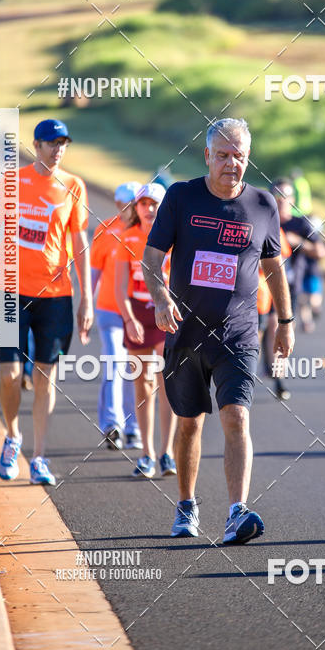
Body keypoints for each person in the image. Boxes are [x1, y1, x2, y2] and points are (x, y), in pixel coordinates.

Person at [142, 118, 294, 543]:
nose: (231, 163)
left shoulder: (263, 205)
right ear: (207, 156)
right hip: (186, 332)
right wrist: (160, 297)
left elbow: (273, 267)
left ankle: (236, 512)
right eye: (223, 155)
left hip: (238, 334)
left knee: (236, 416)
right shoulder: (181, 197)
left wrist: (285, 322)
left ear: (248, 157)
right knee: (189, 423)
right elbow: (151, 259)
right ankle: (186, 505)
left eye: (238, 156)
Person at [0, 119, 93, 485]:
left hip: (56, 296)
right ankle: (12, 435)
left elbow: (79, 244)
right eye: (51, 143)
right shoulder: (11, 182)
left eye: (63, 143)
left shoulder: (74, 186)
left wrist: (86, 298)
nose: (58, 149)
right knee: (10, 375)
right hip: (11, 291)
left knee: (46, 377)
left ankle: (39, 457)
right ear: (36, 145)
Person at [115, 183, 177, 478]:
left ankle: (167, 453)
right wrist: (129, 319)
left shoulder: (174, 239)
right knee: (142, 384)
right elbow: (119, 288)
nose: (149, 209)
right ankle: (147, 454)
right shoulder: (127, 238)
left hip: (167, 314)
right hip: (138, 314)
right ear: (136, 208)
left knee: (167, 382)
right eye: (144, 204)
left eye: (155, 204)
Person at [91, 181, 142, 450]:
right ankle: (113, 425)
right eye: (126, 204)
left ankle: (134, 427)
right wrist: (85, 304)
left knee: (135, 369)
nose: (130, 209)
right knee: (114, 363)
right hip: (109, 310)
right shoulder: (105, 230)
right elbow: (94, 272)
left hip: (139, 313)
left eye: (135, 204)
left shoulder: (149, 230)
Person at [270, 179, 325, 333]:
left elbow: (321, 251)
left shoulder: (301, 224)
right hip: (266, 284)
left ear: (293, 199)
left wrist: (298, 242)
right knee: (266, 327)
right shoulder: (265, 222)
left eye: (286, 195)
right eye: (278, 195)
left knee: (285, 329)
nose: (282, 200)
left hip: (291, 285)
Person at [258, 226, 293, 400]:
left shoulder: (275, 228)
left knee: (275, 333)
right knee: (254, 341)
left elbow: (282, 258)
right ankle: (243, 381)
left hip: (271, 292)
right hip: (253, 294)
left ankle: (279, 381)